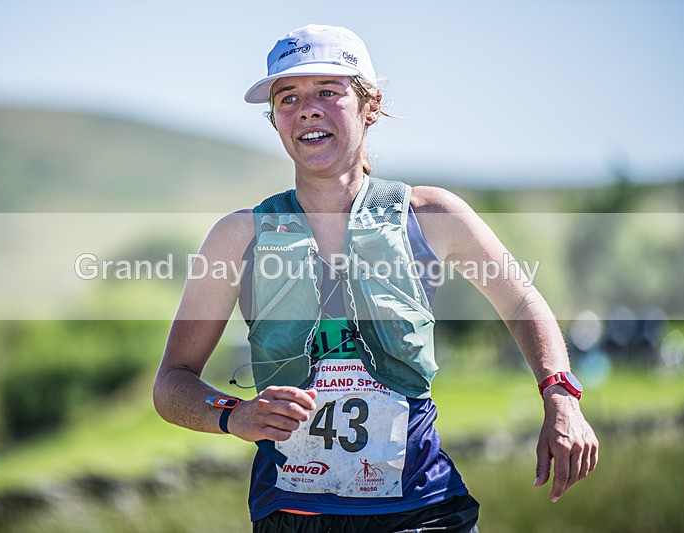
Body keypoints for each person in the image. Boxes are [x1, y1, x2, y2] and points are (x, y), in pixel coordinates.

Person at [153, 24, 598, 533]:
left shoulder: (430, 215)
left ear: (371, 105)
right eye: (288, 97)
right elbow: (172, 383)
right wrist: (235, 414)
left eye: (328, 92)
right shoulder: (238, 237)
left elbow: (522, 304)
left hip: (424, 509)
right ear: (275, 120)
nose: (308, 109)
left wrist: (560, 395)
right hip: (292, 515)